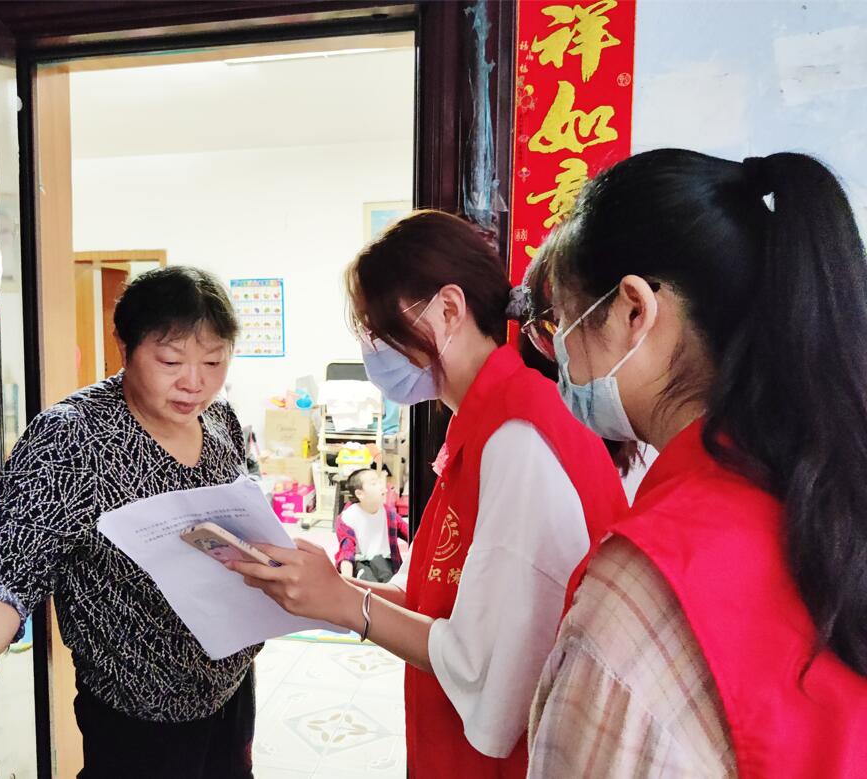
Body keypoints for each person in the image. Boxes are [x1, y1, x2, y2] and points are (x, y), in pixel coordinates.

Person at [229, 210, 628, 777]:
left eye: (377, 328)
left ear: (448, 309)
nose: (373, 349)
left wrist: (342, 601)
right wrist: (322, 586)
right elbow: (425, 601)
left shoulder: (519, 436)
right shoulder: (480, 422)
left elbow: (484, 670)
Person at [522, 150, 867, 777]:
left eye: (563, 323)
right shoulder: (826, 490)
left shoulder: (644, 588)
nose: (560, 356)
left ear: (634, 311)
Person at [0, 266, 259, 778]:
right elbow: (5, 576)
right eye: (171, 360)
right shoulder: (73, 439)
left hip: (231, 684)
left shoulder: (220, 419)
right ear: (124, 346)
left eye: (214, 361)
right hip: (141, 713)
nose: (195, 382)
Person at [334, 467, 409, 582]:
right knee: (366, 580)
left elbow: (410, 532)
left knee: (387, 577)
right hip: (361, 562)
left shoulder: (389, 514)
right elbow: (346, 551)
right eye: (374, 483)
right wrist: (347, 582)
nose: (381, 486)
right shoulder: (348, 517)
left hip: (385, 562)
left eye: (380, 482)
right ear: (360, 494)